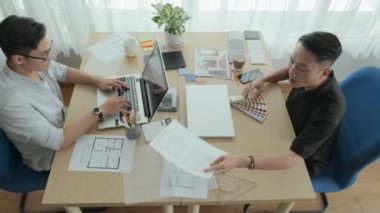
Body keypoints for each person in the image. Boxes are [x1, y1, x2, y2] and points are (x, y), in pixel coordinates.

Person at [205, 31, 346, 176]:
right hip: (286, 126)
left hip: (303, 160)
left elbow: (290, 160)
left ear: (324, 73)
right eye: (292, 61)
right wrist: (262, 78)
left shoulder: (330, 110)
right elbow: (289, 71)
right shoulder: (306, 75)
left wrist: (240, 162)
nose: (292, 71)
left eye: (302, 68)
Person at [0, 15, 130, 171]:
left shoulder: (35, 64)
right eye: (44, 54)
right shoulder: (10, 102)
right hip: (54, 154)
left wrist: (97, 80)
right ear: (19, 59)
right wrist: (100, 110)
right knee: (122, 153)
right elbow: (58, 140)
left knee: (122, 129)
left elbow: (62, 71)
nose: (51, 57)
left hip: (67, 123)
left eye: (49, 49)